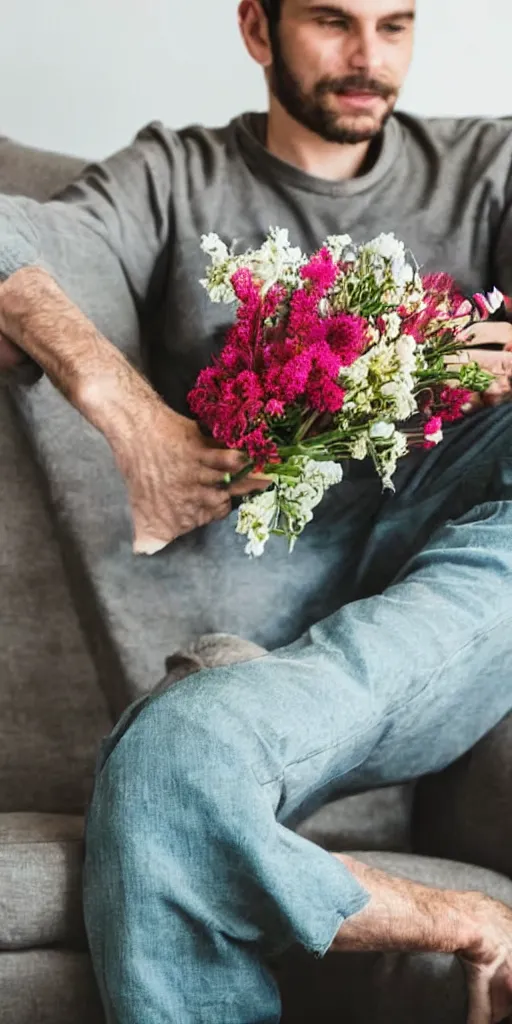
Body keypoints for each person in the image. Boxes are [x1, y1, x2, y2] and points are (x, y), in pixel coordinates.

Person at [2, 0, 512, 1020]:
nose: (367, 59)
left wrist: (430, 367)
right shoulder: (175, 176)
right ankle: (440, 914)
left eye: (395, 25)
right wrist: (127, 409)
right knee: (167, 763)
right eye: (331, 21)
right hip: (254, 658)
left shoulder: (482, 168)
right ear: (255, 28)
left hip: (470, 575)